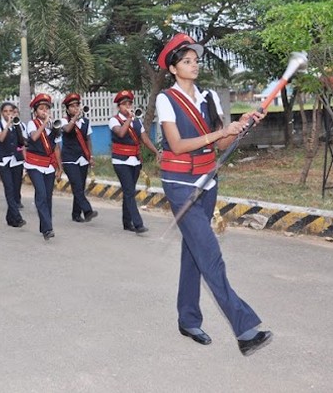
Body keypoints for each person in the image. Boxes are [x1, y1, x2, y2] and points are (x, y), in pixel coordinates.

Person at [155, 33, 271, 355]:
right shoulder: (167, 99)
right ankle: (245, 330)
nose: (194, 65)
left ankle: (188, 319)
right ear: (174, 68)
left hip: (207, 181)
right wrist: (222, 131)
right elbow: (177, 145)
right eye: (187, 61)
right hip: (179, 184)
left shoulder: (208, 98)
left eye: (196, 60)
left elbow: (220, 144)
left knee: (193, 251)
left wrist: (241, 125)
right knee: (210, 255)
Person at [109, 90, 159, 234]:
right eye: (124, 104)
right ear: (119, 107)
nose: (128, 106)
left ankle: (126, 222)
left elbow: (145, 139)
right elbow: (121, 133)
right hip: (120, 161)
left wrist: (156, 151)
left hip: (135, 161)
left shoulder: (137, 121)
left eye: (129, 103)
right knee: (129, 191)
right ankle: (138, 224)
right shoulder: (114, 120)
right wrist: (129, 119)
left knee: (128, 192)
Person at [25, 94, 62, 241]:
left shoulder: (54, 126)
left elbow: (57, 148)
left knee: (48, 196)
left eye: (47, 108)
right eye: (41, 109)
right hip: (34, 163)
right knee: (41, 194)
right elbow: (34, 137)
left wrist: (60, 166)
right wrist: (44, 122)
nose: (44, 111)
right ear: (35, 112)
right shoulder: (32, 124)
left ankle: (45, 225)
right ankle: (48, 229)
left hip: (49, 165)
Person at [60, 93, 98, 223]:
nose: (75, 108)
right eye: (72, 106)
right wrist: (75, 118)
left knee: (80, 187)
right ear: (67, 108)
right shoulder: (64, 121)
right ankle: (88, 210)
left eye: (77, 105)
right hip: (69, 158)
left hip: (82, 157)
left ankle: (76, 214)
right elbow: (67, 129)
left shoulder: (86, 122)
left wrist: (90, 156)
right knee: (76, 184)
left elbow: (88, 139)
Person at [0, 102, 26, 228]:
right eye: (6, 111)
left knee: (16, 189)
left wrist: (16, 125)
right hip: (4, 161)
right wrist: (7, 125)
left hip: (17, 160)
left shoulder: (19, 124)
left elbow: (22, 142)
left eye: (11, 111)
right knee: (9, 188)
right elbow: (1, 139)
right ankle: (17, 217)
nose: (8, 114)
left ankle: (10, 217)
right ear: (2, 113)